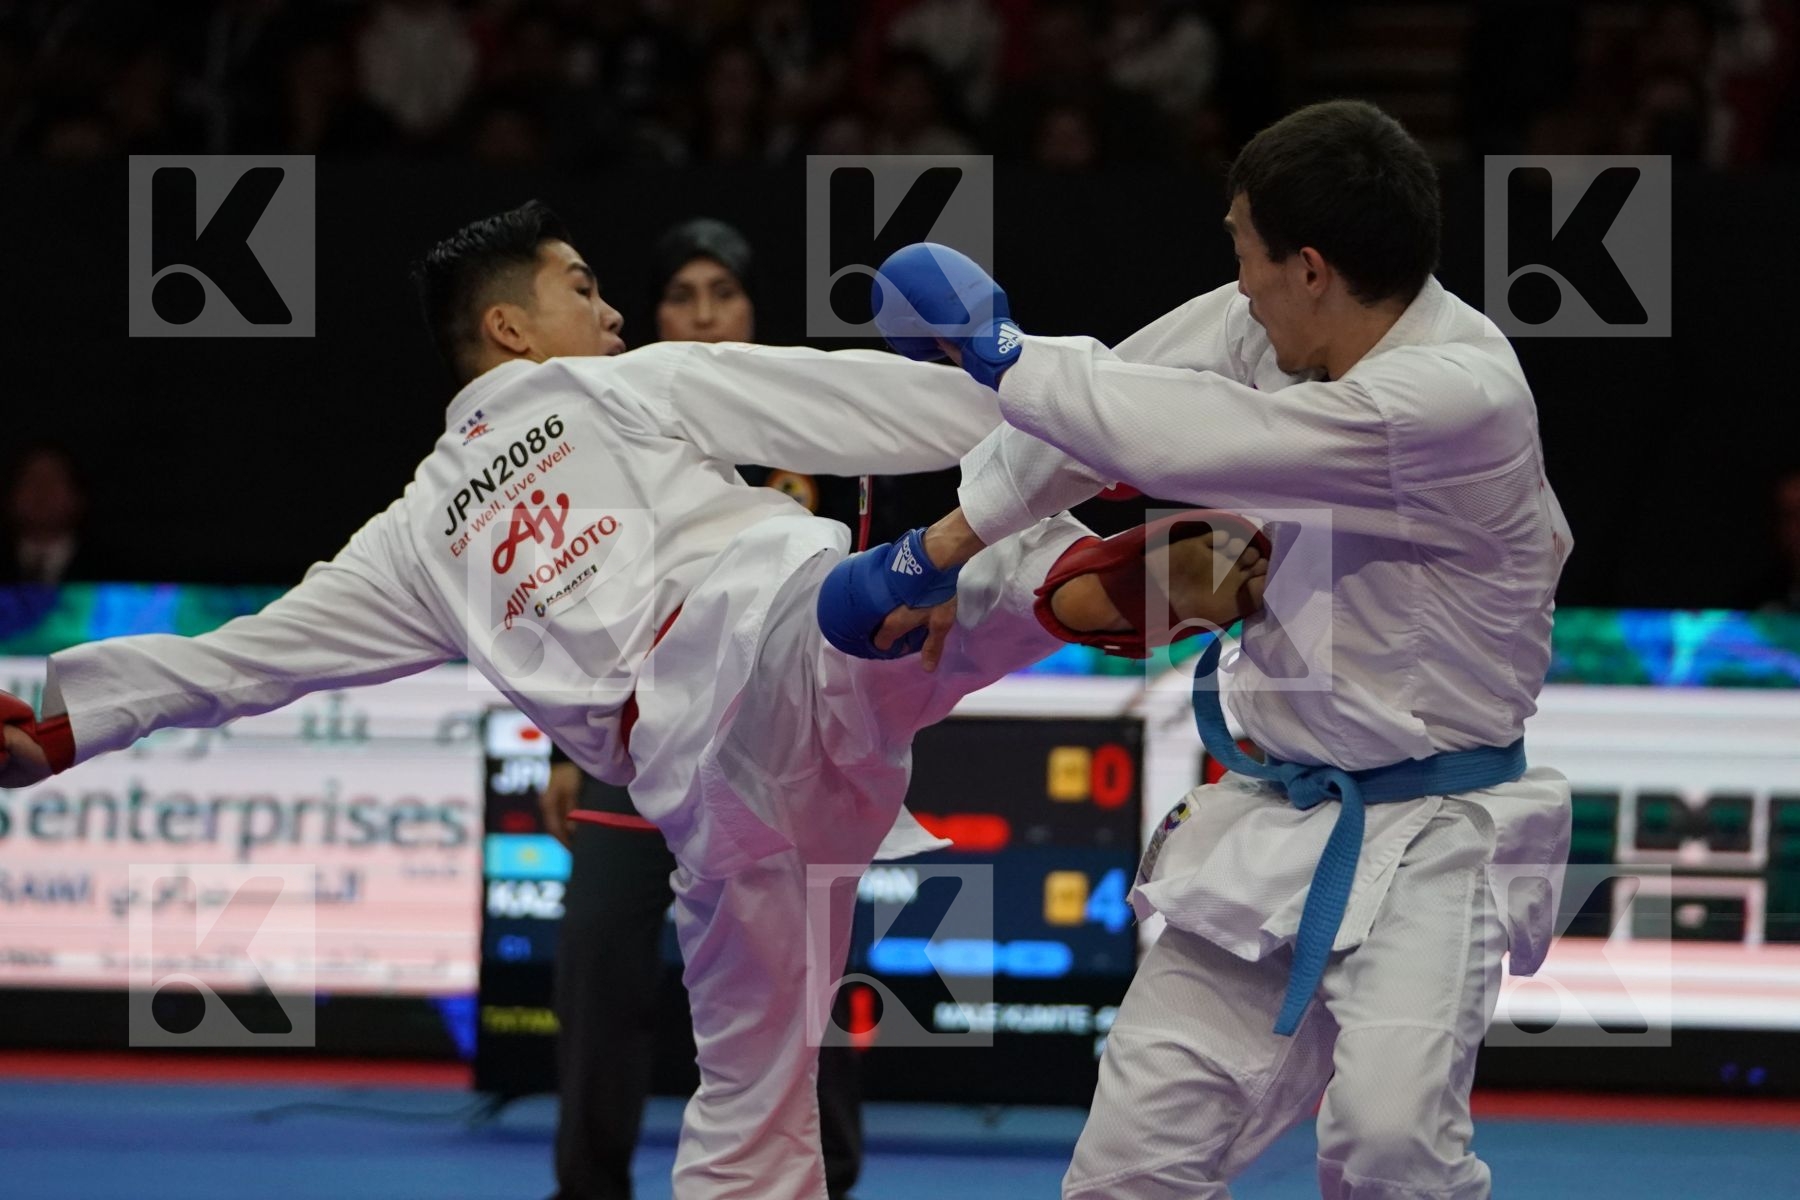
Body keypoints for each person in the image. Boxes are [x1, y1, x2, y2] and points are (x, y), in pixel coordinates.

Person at [0, 201, 1265, 1200]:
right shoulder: (611, 385)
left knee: (749, 1114)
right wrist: (1031, 391)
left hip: (712, 807)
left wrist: (59, 726)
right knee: (934, 577)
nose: (608, 312)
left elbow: (247, 660)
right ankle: (1034, 559)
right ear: (510, 332)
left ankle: (988, 588)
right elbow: (860, 406)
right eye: (582, 288)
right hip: (766, 646)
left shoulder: (407, 541)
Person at [848, 100, 1574, 1198]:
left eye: (1245, 253)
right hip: (1270, 815)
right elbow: (1105, 405)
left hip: (1436, 835)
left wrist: (997, 348)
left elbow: (1187, 437)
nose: (1237, 283)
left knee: (1388, 1147)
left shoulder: (1457, 397)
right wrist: (934, 553)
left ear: (1313, 267)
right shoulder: (1267, 326)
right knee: (1126, 1173)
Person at [542, 217, 864, 1200]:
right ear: (652, 316)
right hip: (634, 755)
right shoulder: (609, 432)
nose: (703, 312)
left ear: (753, 309)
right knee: (598, 968)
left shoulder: (811, 423)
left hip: (786, 758)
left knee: (808, 979)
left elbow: (855, 596)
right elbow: (571, 599)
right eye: (681, 295)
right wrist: (566, 744)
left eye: (722, 292)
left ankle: (825, 1177)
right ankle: (588, 1187)